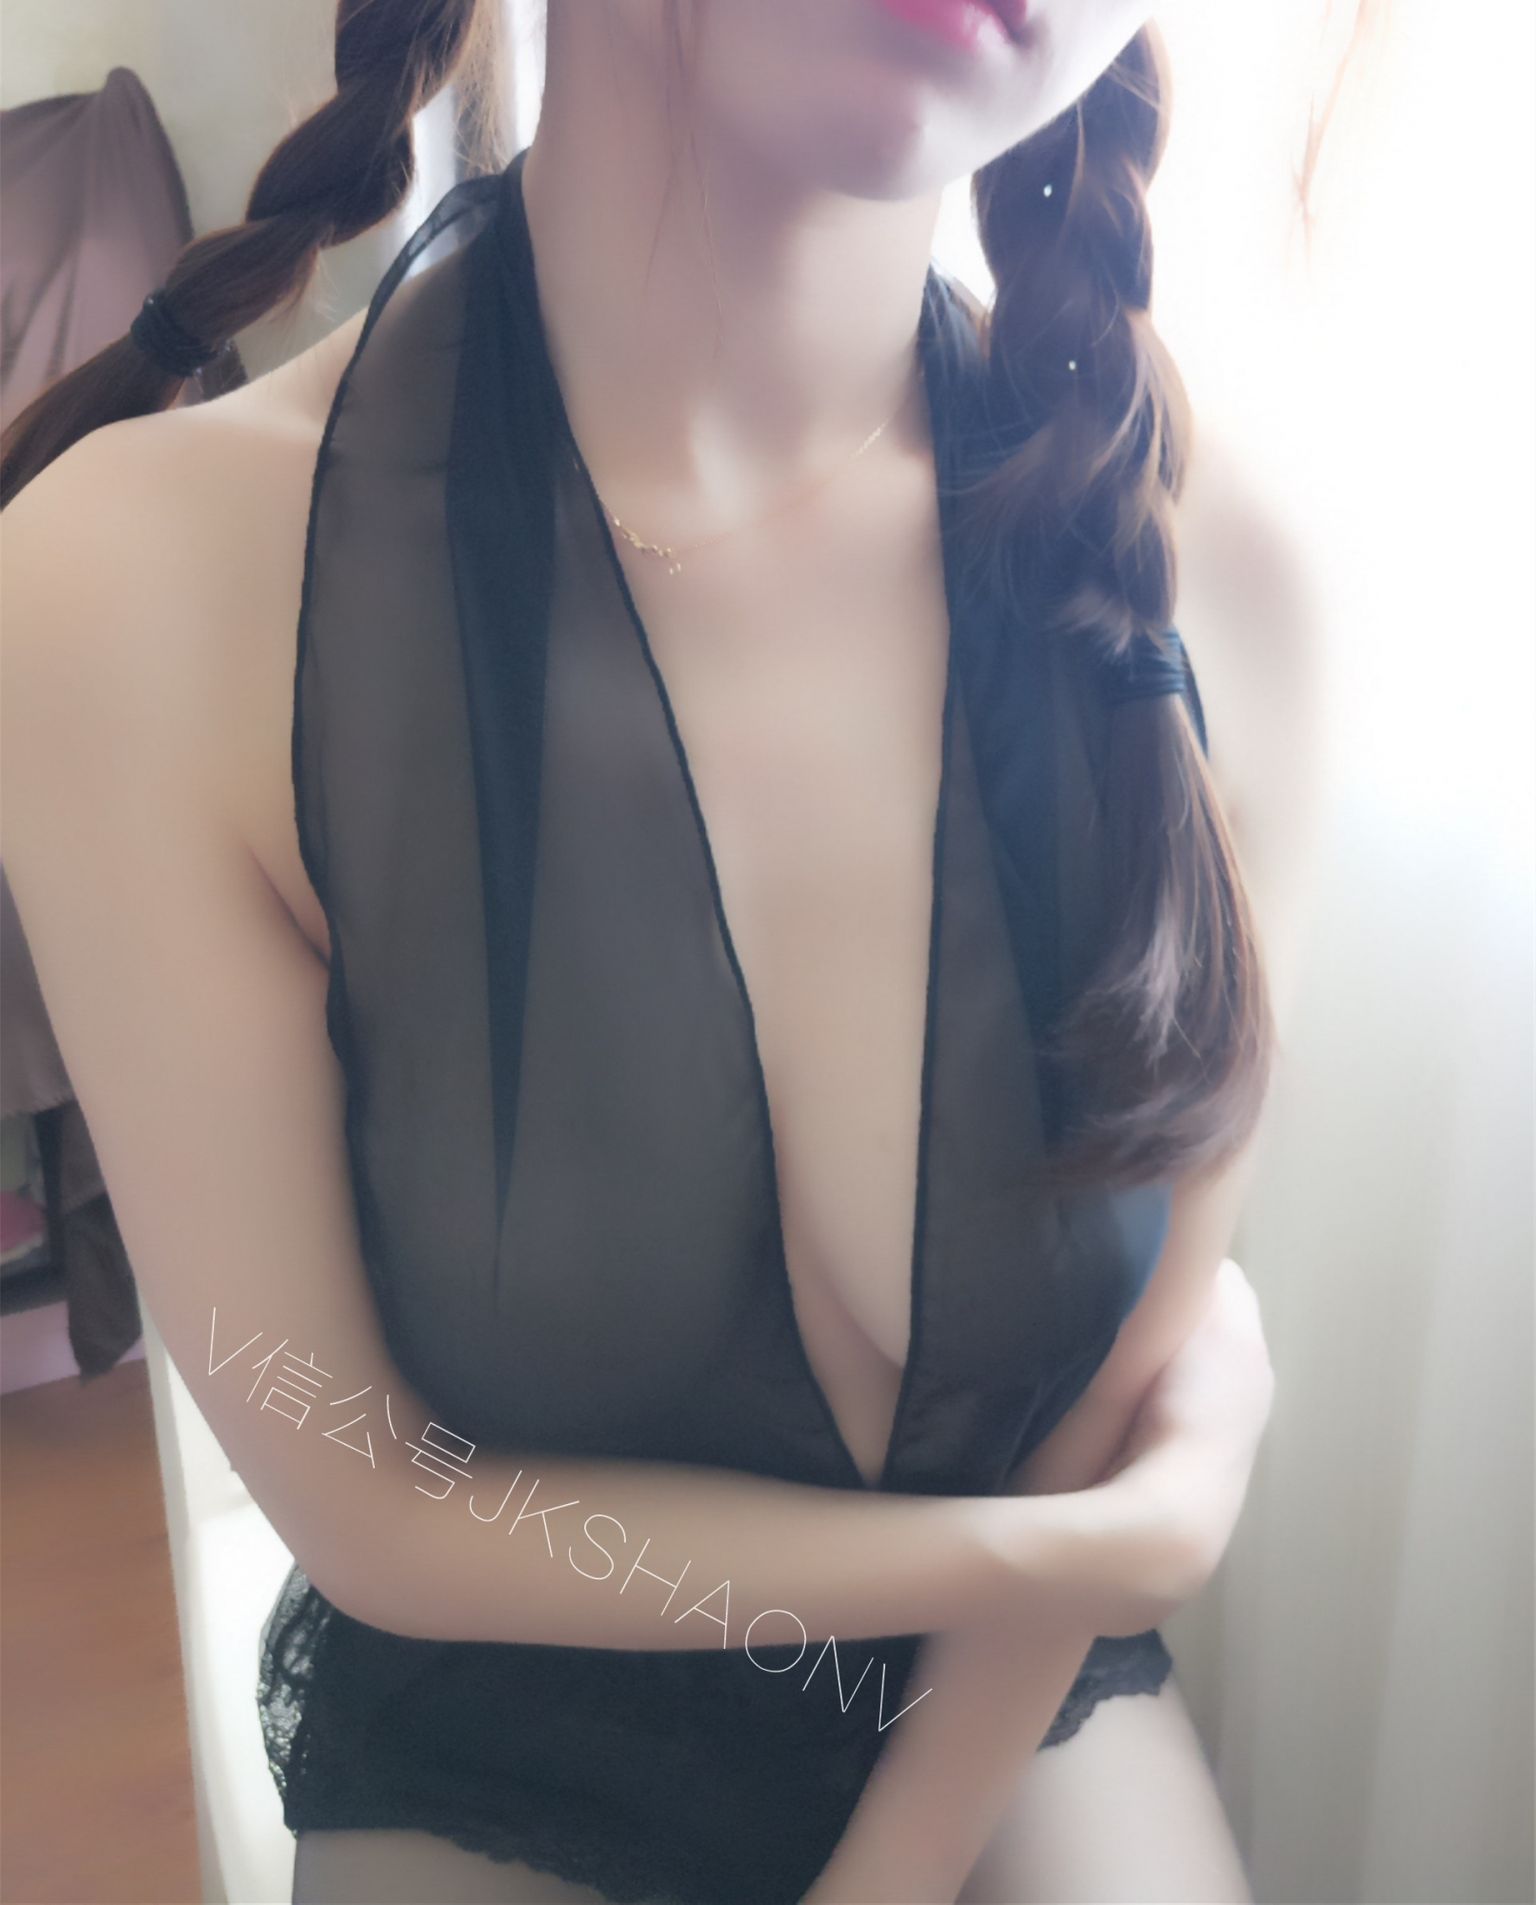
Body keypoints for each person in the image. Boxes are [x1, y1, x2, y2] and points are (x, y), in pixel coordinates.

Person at [0, 2, 1320, 1901]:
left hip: (1005, 1702)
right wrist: (1105, 1546)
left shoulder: (1223, 582)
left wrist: (900, 1850)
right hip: (506, 1727)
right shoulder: (136, 594)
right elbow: (367, 1495)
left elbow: (1109, 1414)